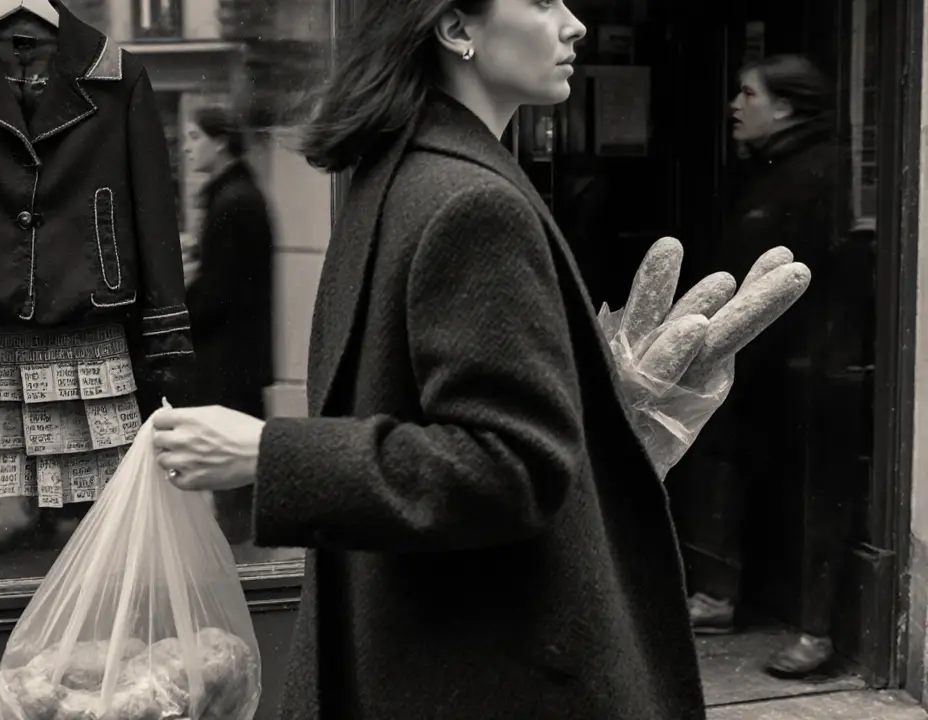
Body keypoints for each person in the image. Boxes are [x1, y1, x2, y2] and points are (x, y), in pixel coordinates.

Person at [151, 1, 706, 717]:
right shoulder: (474, 203)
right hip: (483, 667)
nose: (575, 25)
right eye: (541, 1)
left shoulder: (395, 176)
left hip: (411, 654)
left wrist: (607, 408)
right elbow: (508, 465)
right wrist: (268, 453)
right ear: (457, 29)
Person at [677, 54, 850, 678]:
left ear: (785, 106)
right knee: (724, 459)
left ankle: (817, 630)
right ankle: (719, 594)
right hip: (768, 359)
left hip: (812, 362)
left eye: (748, 93)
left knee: (816, 494)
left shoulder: (818, 170)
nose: (734, 105)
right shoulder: (770, 168)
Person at [181, 106, 275, 550]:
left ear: (221, 142)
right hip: (238, 355)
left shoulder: (231, 201)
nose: (187, 146)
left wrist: (180, 309)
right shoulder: (235, 195)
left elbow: (219, 291)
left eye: (195, 136)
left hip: (227, 356)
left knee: (233, 474)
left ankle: (238, 560)